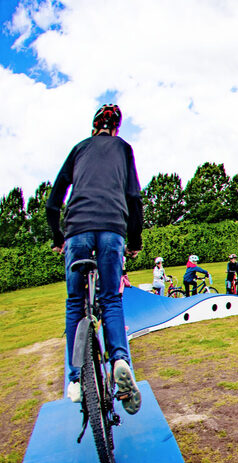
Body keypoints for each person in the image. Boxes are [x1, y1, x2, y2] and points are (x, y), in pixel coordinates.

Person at [47, 103, 143, 414]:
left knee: (76, 302)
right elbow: (134, 198)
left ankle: (74, 380)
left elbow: (53, 202)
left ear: (93, 128)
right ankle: (119, 360)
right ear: (116, 129)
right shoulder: (123, 149)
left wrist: (58, 239)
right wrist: (134, 242)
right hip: (112, 229)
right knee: (111, 300)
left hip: (77, 232)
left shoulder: (79, 149)